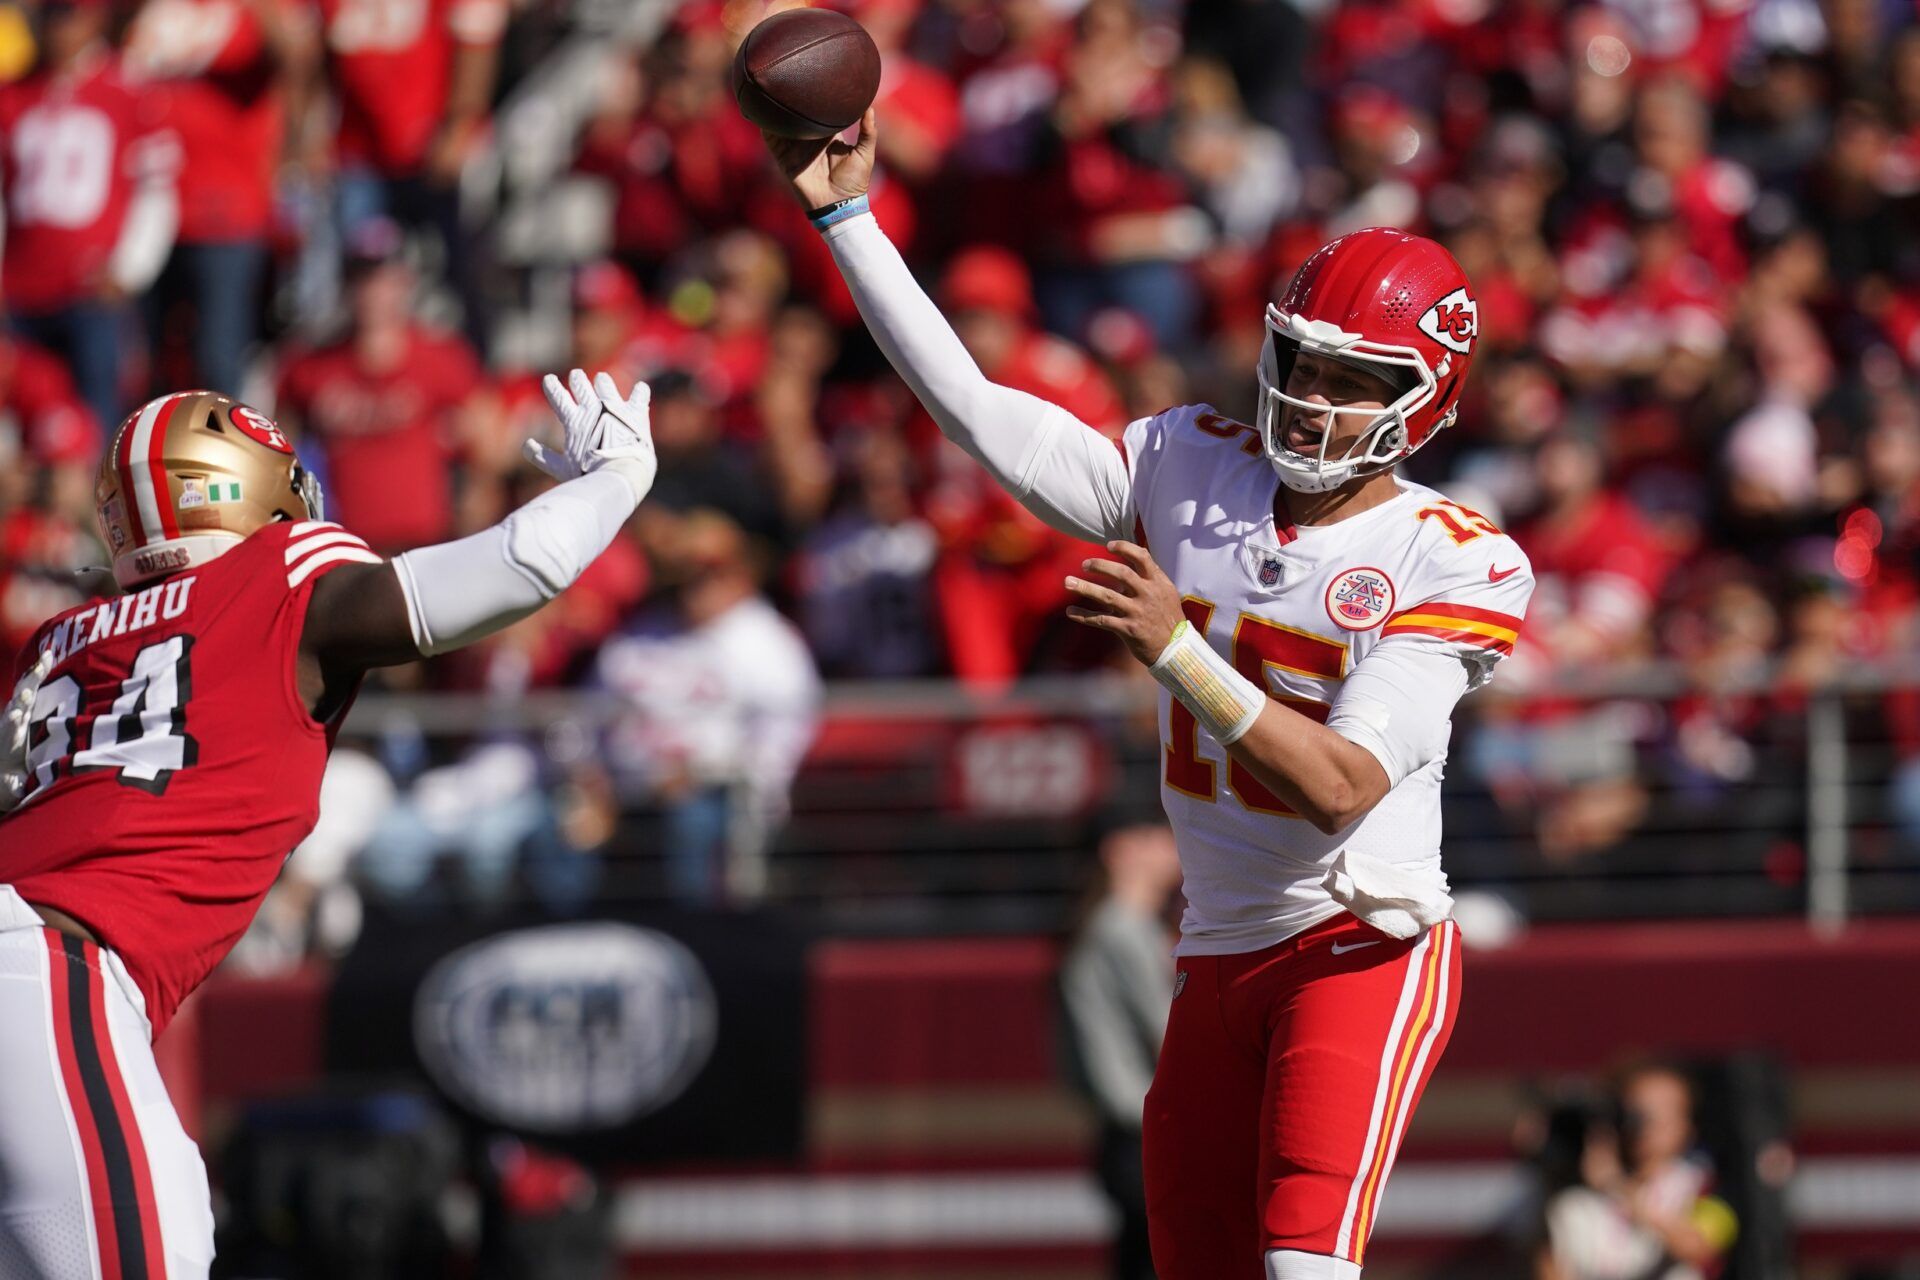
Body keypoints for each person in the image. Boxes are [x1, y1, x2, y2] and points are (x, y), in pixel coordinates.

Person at [766, 113, 1534, 1279]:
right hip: (1212, 947)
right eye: (1303, 364)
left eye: (1353, 378)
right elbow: (979, 412)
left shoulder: (1455, 554)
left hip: (1358, 941)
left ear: (1427, 400)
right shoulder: (1193, 462)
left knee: (1305, 1266)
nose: (1315, 399)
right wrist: (847, 218)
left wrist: (1177, 652)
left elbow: (1339, 783)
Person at [0, 369, 657, 1278]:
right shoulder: (274, 574)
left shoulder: (67, 636)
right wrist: (618, 477)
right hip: (53, 966)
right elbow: (520, 565)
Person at [1060, 815, 1183, 1280]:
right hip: (1143, 1135)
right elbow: (1172, 1031)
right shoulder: (1121, 931)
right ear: (1119, 849)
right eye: (1155, 834)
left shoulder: (1120, 928)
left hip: (1129, 1137)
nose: (1171, 844)